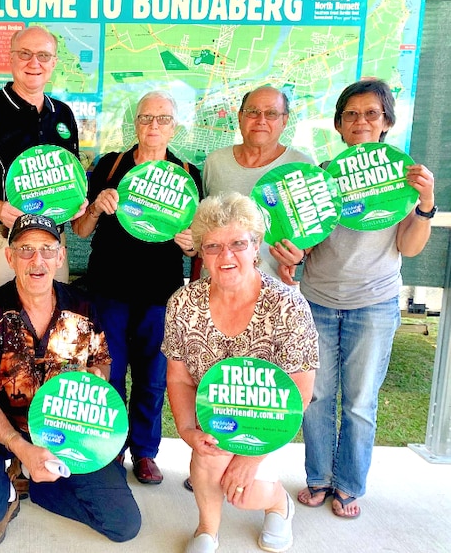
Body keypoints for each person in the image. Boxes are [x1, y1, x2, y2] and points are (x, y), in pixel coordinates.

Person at [274, 79, 435, 519]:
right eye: (351, 114)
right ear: (340, 125)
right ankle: (319, 479)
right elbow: (306, 239)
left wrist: (424, 205)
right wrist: (293, 255)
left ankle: (349, 486)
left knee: (361, 402)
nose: (361, 121)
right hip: (318, 300)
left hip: (375, 302)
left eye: (371, 114)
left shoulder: (402, 178)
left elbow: (410, 245)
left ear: (386, 123)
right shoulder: (320, 175)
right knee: (317, 396)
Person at [0, 214, 141, 547]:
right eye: (26, 250)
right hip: (8, 428)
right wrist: (20, 446)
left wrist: (97, 378)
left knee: (124, 525)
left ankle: (36, 485)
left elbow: (101, 366)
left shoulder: (83, 307)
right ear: (10, 257)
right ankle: (3, 500)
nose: (37, 261)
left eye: (48, 250)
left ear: (61, 256)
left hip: (67, 428)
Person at [164, 193, 318, 553]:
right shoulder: (184, 303)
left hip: (270, 423)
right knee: (207, 456)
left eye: (237, 244)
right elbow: (180, 377)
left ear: (256, 247)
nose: (226, 256)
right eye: (214, 246)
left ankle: (279, 504)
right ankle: (207, 530)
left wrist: (250, 459)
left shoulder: (287, 305)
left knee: (244, 494)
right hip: (216, 419)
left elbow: (300, 391)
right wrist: (187, 430)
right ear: (201, 252)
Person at [72, 90, 201, 484]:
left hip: (160, 294)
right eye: (146, 118)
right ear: (136, 124)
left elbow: (199, 240)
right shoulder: (110, 166)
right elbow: (79, 229)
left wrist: (191, 241)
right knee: (107, 374)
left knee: (153, 377)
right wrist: (96, 206)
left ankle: (145, 453)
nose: (153, 126)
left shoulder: (187, 173)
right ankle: (109, 448)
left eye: (163, 119)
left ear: (174, 127)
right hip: (106, 288)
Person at [0, 25, 85, 305]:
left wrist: (76, 204)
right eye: (25, 54)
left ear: (54, 63)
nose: (34, 63)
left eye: (43, 56)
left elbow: (70, 180)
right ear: (10, 58)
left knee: (54, 334)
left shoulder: (64, 115)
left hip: (51, 245)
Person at [203, 86, 312, 279]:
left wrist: (299, 258)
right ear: (240, 117)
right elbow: (203, 226)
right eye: (253, 112)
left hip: (274, 293)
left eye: (271, 113)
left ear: (284, 120)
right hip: (215, 288)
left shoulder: (302, 167)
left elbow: (312, 235)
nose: (261, 120)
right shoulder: (215, 162)